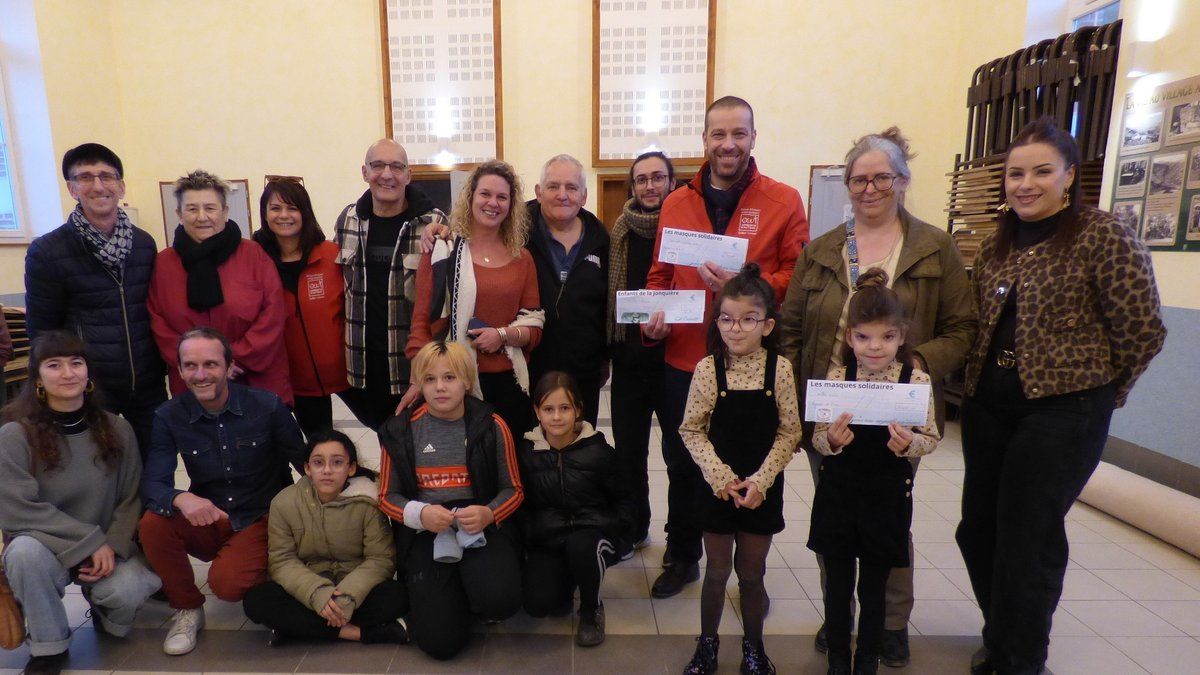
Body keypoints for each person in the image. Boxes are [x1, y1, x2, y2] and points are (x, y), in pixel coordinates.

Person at [956, 117, 1166, 675]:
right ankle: (1001, 633)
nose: (1026, 184)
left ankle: (1020, 659)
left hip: (1063, 411)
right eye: (1015, 173)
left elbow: (1143, 329)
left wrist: (1100, 392)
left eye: (1041, 172)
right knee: (977, 530)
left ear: (1069, 175)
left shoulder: (1102, 235)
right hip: (989, 405)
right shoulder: (996, 243)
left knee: (1028, 537)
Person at [779, 127, 976, 666]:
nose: (869, 189)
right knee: (835, 516)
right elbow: (792, 330)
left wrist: (915, 365)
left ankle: (889, 621)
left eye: (881, 178)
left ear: (902, 181)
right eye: (859, 179)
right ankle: (837, 614)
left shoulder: (934, 247)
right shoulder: (821, 252)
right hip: (832, 410)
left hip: (898, 413)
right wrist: (798, 405)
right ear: (847, 184)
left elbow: (963, 328)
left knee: (889, 517)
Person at [643, 96, 809, 599]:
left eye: (739, 133)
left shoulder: (783, 200)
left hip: (751, 366)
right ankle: (683, 555)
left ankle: (749, 570)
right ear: (705, 140)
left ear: (753, 137)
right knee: (682, 460)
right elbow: (660, 276)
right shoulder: (676, 202)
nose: (728, 144)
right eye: (718, 134)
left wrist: (747, 284)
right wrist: (653, 319)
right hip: (686, 358)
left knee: (749, 458)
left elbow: (797, 277)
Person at [0, 331, 161, 675]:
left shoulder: (118, 429)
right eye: (54, 365)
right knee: (23, 554)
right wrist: (90, 542)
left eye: (76, 363)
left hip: (104, 551)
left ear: (88, 373)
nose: (68, 373)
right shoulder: (15, 434)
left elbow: (130, 498)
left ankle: (104, 611)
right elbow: (16, 509)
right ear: (37, 377)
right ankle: (49, 647)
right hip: (46, 547)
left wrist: (112, 545)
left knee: (130, 589)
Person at [138, 327, 305, 656]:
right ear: (180, 370)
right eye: (190, 365)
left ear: (230, 367)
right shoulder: (169, 416)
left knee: (227, 585)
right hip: (210, 517)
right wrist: (181, 497)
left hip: (261, 519)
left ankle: (271, 570)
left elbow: (305, 463)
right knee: (153, 523)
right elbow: (153, 484)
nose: (200, 375)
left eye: (211, 364)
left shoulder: (267, 406)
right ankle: (187, 609)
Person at [807, 268, 941, 675]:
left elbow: (931, 437)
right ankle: (837, 657)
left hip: (886, 497)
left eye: (886, 337)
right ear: (849, 338)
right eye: (864, 337)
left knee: (874, 587)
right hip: (839, 494)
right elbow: (817, 437)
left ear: (902, 336)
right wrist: (832, 440)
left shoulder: (915, 380)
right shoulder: (837, 377)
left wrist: (909, 444)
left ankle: (867, 659)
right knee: (837, 583)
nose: (875, 347)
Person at [678, 263, 801, 675]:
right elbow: (691, 430)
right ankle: (707, 645)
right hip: (718, 487)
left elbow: (790, 432)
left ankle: (754, 647)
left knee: (751, 573)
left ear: (767, 325)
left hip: (762, 489)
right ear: (717, 322)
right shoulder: (708, 368)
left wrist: (761, 481)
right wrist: (722, 477)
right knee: (716, 571)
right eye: (727, 319)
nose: (736, 329)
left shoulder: (780, 369)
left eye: (749, 319)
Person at [378, 340, 524, 660]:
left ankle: (471, 592)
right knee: (440, 644)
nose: (440, 387)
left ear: (467, 382)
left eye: (449, 377)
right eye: (430, 379)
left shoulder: (492, 425)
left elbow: (514, 489)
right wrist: (420, 514)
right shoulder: (399, 431)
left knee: (501, 601)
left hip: (479, 523)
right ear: (419, 385)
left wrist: (488, 513)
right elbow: (386, 497)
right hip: (426, 529)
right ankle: (449, 597)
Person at [24, 143, 166, 458]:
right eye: (86, 177)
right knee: (102, 465)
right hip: (91, 386)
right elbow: (43, 332)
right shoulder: (47, 251)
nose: (98, 186)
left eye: (106, 176)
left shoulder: (143, 244)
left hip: (147, 381)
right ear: (72, 188)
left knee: (156, 462)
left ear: (121, 186)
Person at [404, 160, 544, 436]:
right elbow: (421, 323)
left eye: (502, 197)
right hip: (454, 382)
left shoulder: (522, 258)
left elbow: (535, 327)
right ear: (470, 198)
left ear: (511, 205)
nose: (493, 203)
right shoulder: (443, 251)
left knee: (508, 459)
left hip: (510, 385)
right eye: (485, 194)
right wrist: (417, 380)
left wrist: (502, 335)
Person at [242, 429, 409, 647]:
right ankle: (360, 633)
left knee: (398, 596)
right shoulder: (284, 503)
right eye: (318, 463)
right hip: (307, 587)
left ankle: (298, 629)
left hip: (355, 587)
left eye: (337, 463)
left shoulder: (367, 502)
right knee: (256, 601)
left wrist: (346, 597)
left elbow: (380, 560)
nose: (327, 470)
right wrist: (317, 594)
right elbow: (282, 561)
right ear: (307, 468)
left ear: (351, 468)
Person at [147, 170, 292, 405]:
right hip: (194, 383)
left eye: (210, 208)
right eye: (192, 209)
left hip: (254, 378)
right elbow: (158, 322)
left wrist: (231, 359)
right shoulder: (164, 264)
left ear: (224, 211)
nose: (202, 217)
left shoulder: (253, 255)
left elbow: (273, 312)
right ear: (179, 214)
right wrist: (201, 365)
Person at [334, 139, 448, 429]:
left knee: (414, 443)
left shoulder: (433, 223)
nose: (387, 174)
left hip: (410, 366)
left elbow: (444, 302)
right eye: (378, 166)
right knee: (384, 437)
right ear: (364, 172)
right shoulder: (348, 220)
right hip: (362, 366)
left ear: (409, 175)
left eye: (397, 167)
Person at [517, 371, 636, 647]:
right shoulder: (526, 453)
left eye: (565, 408)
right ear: (537, 412)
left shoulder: (599, 452)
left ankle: (591, 609)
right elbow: (523, 506)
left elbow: (625, 499)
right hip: (550, 538)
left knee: (581, 547)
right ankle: (568, 580)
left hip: (592, 534)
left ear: (578, 410)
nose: (557, 417)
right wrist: (530, 534)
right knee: (538, 604)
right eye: (548, 409)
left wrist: (619, 532)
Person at [607, 151, 676, 549]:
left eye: (658, 177)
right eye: (642, 179)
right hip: (629, 361)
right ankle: (635, 528)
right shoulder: (618, 232)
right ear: (632, 186)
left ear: (672, 182)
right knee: (629, 454)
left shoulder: (685, 229)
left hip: (675, 361)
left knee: (679, 454)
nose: (650, 186)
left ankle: (680, 540)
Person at [252, 180, 350, 437]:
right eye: (275, 208)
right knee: (318, 445)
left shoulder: (331, 255)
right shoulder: (256, 260)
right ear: (264, 214)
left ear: (305, 212)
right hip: (296, 380)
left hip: (347, 373)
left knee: (385, 428)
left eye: (292, 208)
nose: (284, 215)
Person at [525, 154, 611, 425]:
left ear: (584, 196)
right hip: (528, 367)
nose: (562, 195)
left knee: (580, 442)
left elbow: (607, 303)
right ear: (539, 192)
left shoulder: (601, 239)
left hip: (583, 370)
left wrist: (605, 357)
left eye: (571, 188)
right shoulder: (515, 231)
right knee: (532, 444)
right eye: (553, 186)